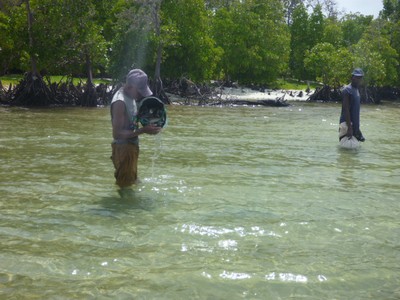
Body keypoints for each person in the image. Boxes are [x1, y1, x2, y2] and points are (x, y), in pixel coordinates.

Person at [110, 69, 161, 188]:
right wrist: (142, 131)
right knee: (125, 188)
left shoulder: (130, 96)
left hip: (130, 148)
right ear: (129, 87)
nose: (141, 95)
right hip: (123, 150)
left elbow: (131, 120)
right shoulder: (120, 102)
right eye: (139, 91)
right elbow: (116, 134)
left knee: (134, 183)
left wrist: (150, 124)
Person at [338, 68, 366, 147]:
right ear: (352, 77)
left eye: (360, 78)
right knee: (347, 150)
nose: (358, 79)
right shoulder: (347, 90)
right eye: (356, 77)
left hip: (353, 125)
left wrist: (357, 129)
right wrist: (349, 127)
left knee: (353, 152)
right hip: (347, 124)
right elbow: (346, 109)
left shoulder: (356, 90)